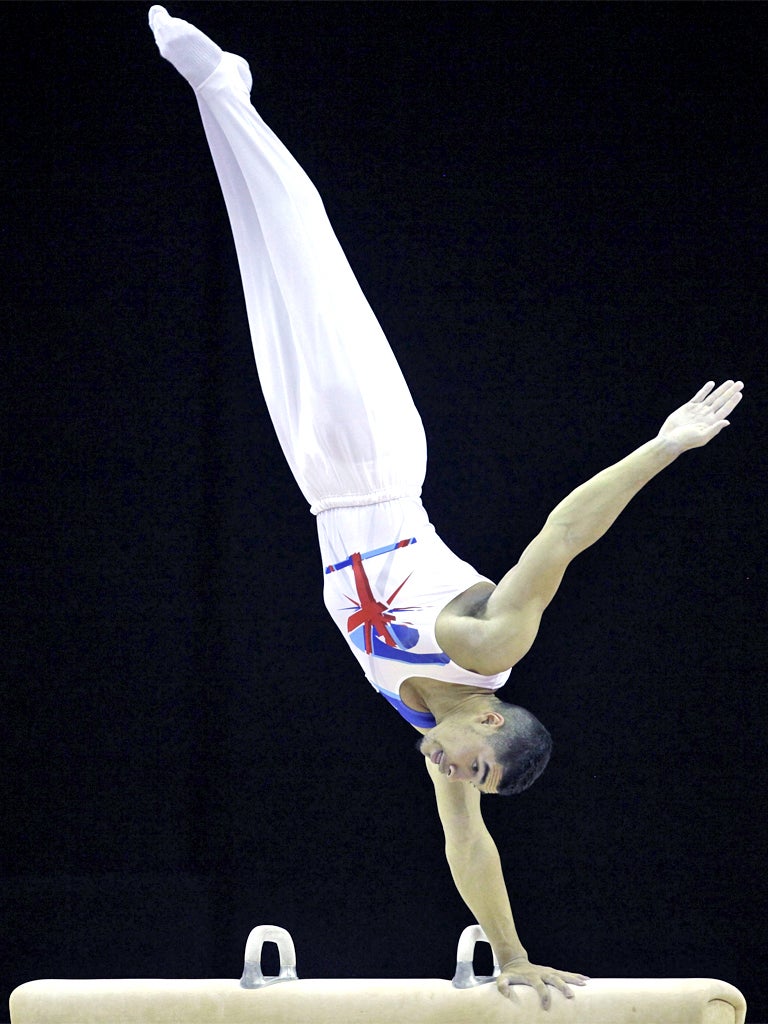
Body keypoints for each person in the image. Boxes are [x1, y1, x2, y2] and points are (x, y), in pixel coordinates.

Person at [148, 7, 743, 1006]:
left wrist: (512, 958)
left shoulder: (438, 742)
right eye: (473, 768)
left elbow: (469, 851)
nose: (455, 777)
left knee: (260, 272)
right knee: (305, 257)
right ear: (495, 719)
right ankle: (227, 87)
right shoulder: (484, 646)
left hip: (316, 484)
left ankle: (223, 102)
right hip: (379, 456)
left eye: (466, 781)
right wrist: (664, 446)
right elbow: (563, 534)